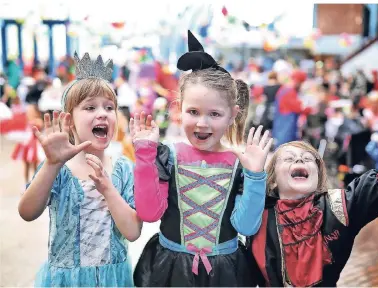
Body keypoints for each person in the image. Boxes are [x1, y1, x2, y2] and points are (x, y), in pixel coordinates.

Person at [247, 113, 378, 287]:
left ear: (318, 176)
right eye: (289, 158)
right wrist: (250, 174)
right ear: (273, 179)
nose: (300, 159)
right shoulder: (255, 213)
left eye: (308, 159)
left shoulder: (338, 205)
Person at [132, 31, 273, 287]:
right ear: (180, 109)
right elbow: (149, 213)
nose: (202, 123)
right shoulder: (168, 157)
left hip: (224, 272)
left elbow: (246, 226)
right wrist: (144, 155)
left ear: (233, 115)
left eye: (215, 114)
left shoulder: (240, 165)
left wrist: (254, 176)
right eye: (193, 112)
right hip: (171, 268)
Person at [18, 52, 141, 286]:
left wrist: (108, 189)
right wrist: (52, 165)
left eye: (109, 107)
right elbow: (27, 211)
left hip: (112, 280)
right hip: (66, 280)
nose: (102, 113)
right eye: (90, 107)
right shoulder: (59, 168)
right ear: (70, 121)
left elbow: (133, 232)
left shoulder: (123, 167)